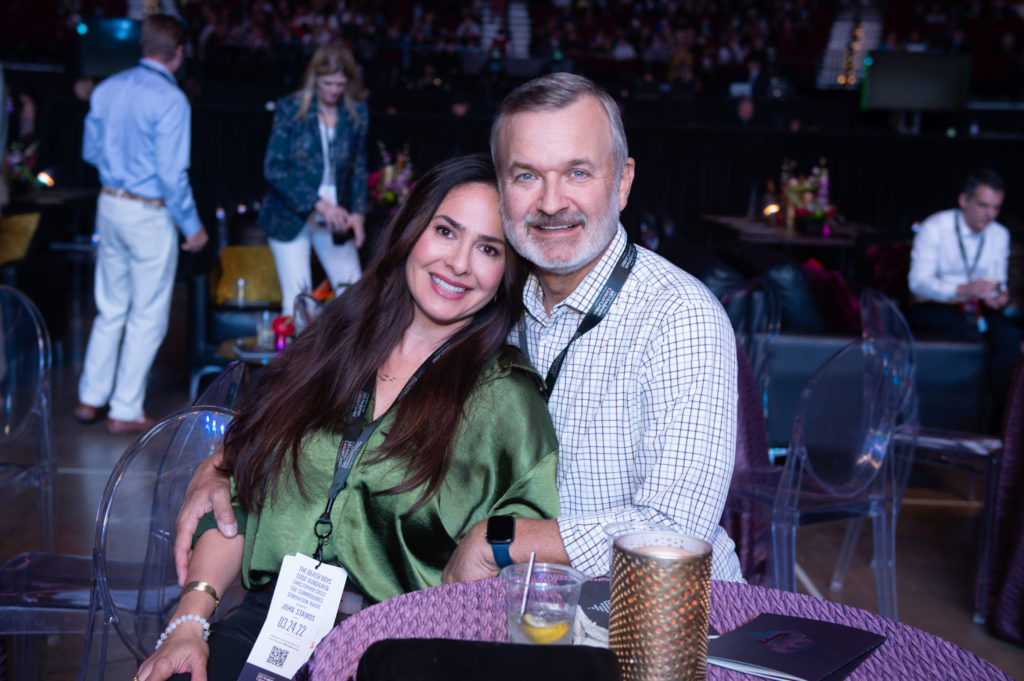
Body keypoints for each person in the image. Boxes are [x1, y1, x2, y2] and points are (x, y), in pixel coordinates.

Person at [174, 73, 742, 588]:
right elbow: (358, 398)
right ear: (503, 189)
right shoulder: (495, 298)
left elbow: (675, 530)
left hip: (659, 621)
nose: (550, 202)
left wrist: (502, 540)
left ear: (622, 182)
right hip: (525, 619)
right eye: (526, 176)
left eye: (577, 172)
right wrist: (226, 462)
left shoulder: (677, 317)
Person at [140, 155, 560, 681]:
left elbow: (526, 569)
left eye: (488, 249)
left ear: (506, 274)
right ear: (411, 232)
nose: (458, 263)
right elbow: (239, 496)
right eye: (446, 231)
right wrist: (189, 623)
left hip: (400, 652)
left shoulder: (507, 400)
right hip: (272, 625)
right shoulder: (332, 342)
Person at [74, 14, 208, 435]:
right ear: (180, 53)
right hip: (148, 211)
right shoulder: (171, 100)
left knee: (110, 306)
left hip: (109, 203)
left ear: (143, 47)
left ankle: (89, 397)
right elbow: (172, 176)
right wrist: (192, 227)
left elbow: (91, 152)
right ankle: (125, 408)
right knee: (147, 314)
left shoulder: (108, 88)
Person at [260, 43, 368, 317]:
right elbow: (274, 168)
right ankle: (294, 361)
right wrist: (319, 204)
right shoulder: (291, 109)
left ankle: (346, 361)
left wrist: (358, 213)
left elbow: (358, 166)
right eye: (327, 83)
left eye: (339, 84)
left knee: (354, 295)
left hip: (335, 219)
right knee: (297, 303)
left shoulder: (356, 113)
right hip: (289, 217)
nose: (333, 90)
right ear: (314, 78)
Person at [908, 169, 1021, 430]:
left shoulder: (999, 234)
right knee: (971, 339)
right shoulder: (936, 227)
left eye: (996, 208)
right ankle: (959, 423)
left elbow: (997, 280)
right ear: (963, 200)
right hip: (934, 305)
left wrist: (999, 295)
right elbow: (918, 283)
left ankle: (997, 426)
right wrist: (963, 288)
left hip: (977, 307)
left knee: (1010, 339)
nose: (989, 214)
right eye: (983, 205)